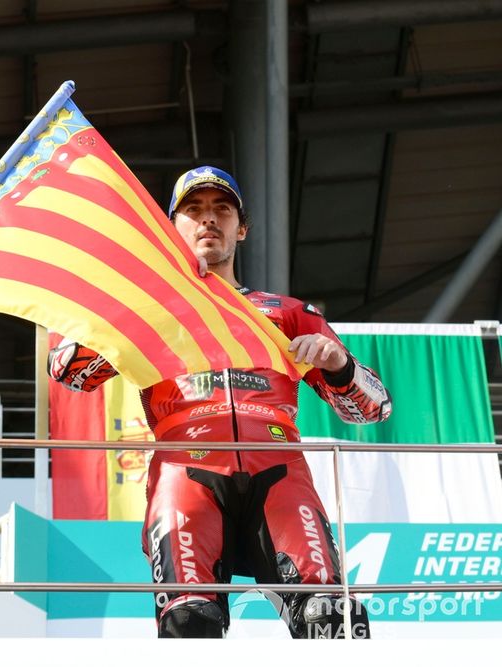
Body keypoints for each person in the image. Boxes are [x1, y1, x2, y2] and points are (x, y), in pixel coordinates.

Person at [48, 166, 391, 639]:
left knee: (331, 616)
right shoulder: (148, 311)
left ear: (241, 227)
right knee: (189, 623)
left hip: (279, 470)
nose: (208, 219)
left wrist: (339, 366)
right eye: (194, 210)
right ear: (173, 229)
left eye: (221, 209)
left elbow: (375, 409)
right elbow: (67, 373)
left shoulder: (286, 312)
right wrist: (129, 311)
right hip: (185, 474)